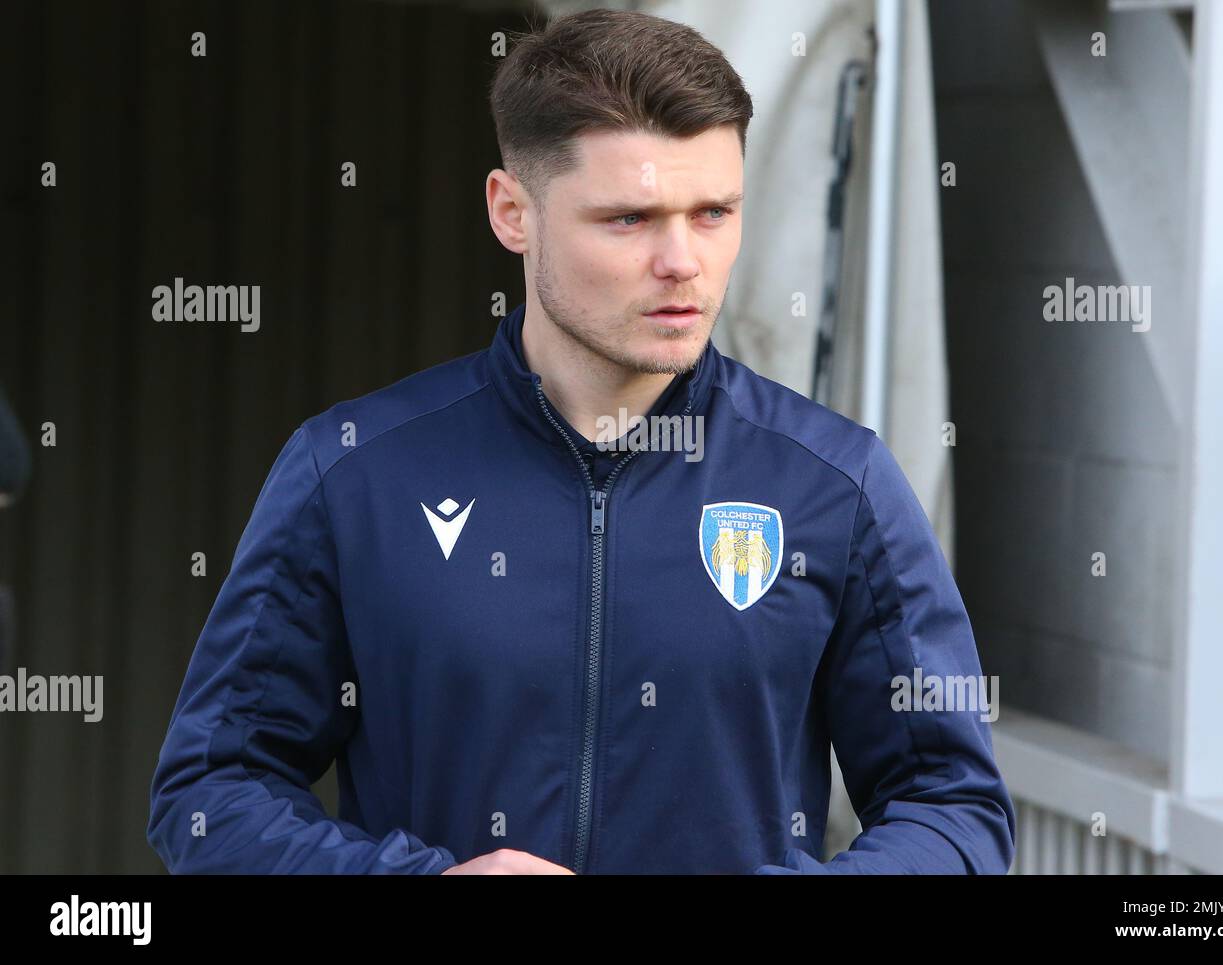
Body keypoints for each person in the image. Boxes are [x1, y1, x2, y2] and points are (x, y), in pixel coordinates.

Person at [147, 7, 1014, 875]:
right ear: (511, 211)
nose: (684, 262)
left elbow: (955, 807)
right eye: (630, 219)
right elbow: (211, 793)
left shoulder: (835, 481)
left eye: (713, 212)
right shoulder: (351, 471)